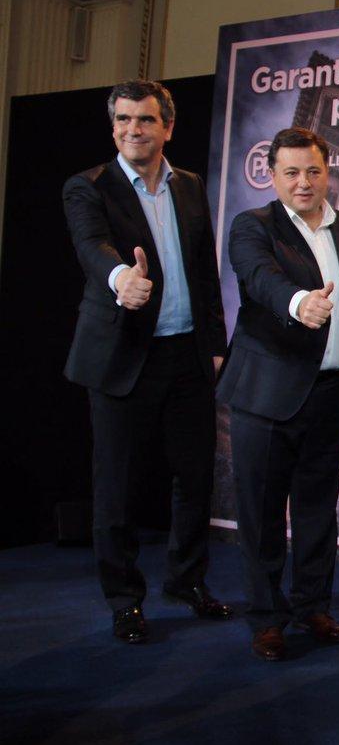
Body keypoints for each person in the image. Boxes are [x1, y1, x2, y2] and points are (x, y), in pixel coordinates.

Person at [63, 80, 231, 643]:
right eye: (123, 120)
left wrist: (214, 345)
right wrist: (120, 279)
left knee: (196, 477)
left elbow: (204, 273)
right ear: (113, 126)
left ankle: (186, 581)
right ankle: (124, 598)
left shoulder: (189, 185)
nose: (133, 129)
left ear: (167, 127)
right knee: (117, 487)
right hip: (121, 359)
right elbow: (92, 246)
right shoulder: (87, 188)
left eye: (145, 120)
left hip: (186, 355)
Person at [218, 127, 339, 661]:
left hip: (331, 394)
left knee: (317, 511)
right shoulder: (252, 226)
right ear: (273, 175)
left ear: (327, 172)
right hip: (266, 395)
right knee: (261, 513)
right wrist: (299, 301)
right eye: (290, 172)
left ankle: (313, 607)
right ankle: (265, 618)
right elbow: (259, 279)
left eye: (312, 170)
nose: (303, 182)